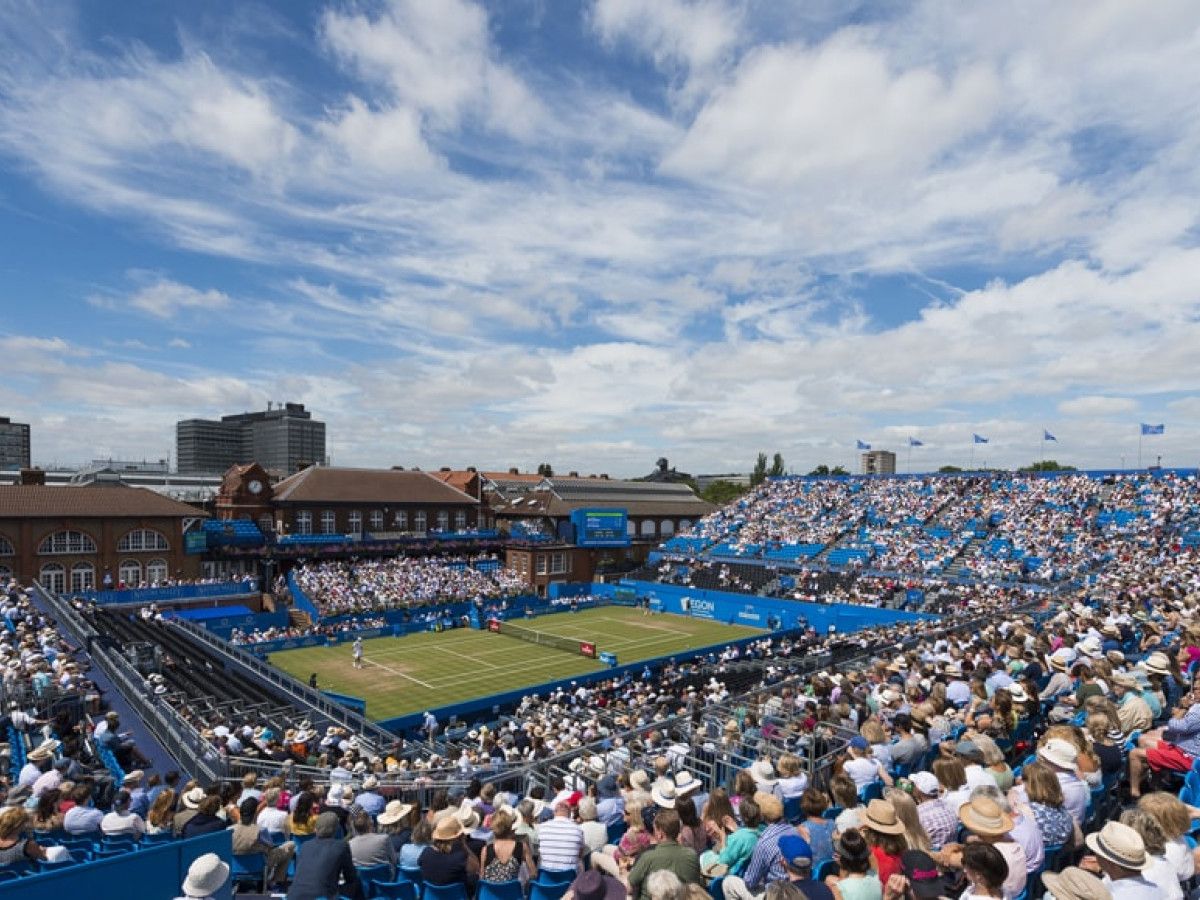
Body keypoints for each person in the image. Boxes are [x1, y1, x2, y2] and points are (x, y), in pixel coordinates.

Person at [627, 810, 703, 900]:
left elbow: (629, 888)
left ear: (660, 835)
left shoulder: (648, 858)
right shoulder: (692, 855)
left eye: (655, 830)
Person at [289, 812, 365, 900]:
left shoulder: (305, 845)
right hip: (322, 896)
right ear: (336, 829)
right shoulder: (341, 846)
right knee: (357, 882)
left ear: (316, 828)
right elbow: (350, 877)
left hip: (293, 896)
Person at [1080, 820, 1157, 900]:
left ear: (1109, 862)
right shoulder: (1159, 891)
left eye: (1098, 852)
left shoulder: (1109, 896)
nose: (1095, 854)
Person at [233, 797, 295, 889]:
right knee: (291, 845)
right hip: (260, 865)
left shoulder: (230, 830)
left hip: (236, 866)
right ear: (255, 813)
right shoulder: (261, 830)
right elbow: (271, 846)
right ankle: (277, 881)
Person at [419, 815, 479, 891]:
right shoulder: (460, 857)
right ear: (457, 837)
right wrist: (464, 844)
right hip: (457, 896)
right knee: (475, 878)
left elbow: (420, 864)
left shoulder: (426, 852)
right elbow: (476, 868)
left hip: (431, 896)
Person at [481, 808, 536, 882]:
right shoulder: (522, 847)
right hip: (513, 892)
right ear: (510, 827)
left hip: (490, 892)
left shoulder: (486, 850)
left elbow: (482, 877)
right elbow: (533, 873)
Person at [824, 830, 881, 900]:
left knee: (829, 879)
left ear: (843, 859)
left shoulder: (839, 889)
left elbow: (844, 882)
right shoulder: (877, 879)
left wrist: (842, 865)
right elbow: (871, 856)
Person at [537, 800, 585, 876]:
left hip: (545, 877)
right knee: (580, 861)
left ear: (554, 812)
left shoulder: (542, 827)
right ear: (569, 814)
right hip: (570, 880)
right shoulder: (578, 829)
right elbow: (580, 855)